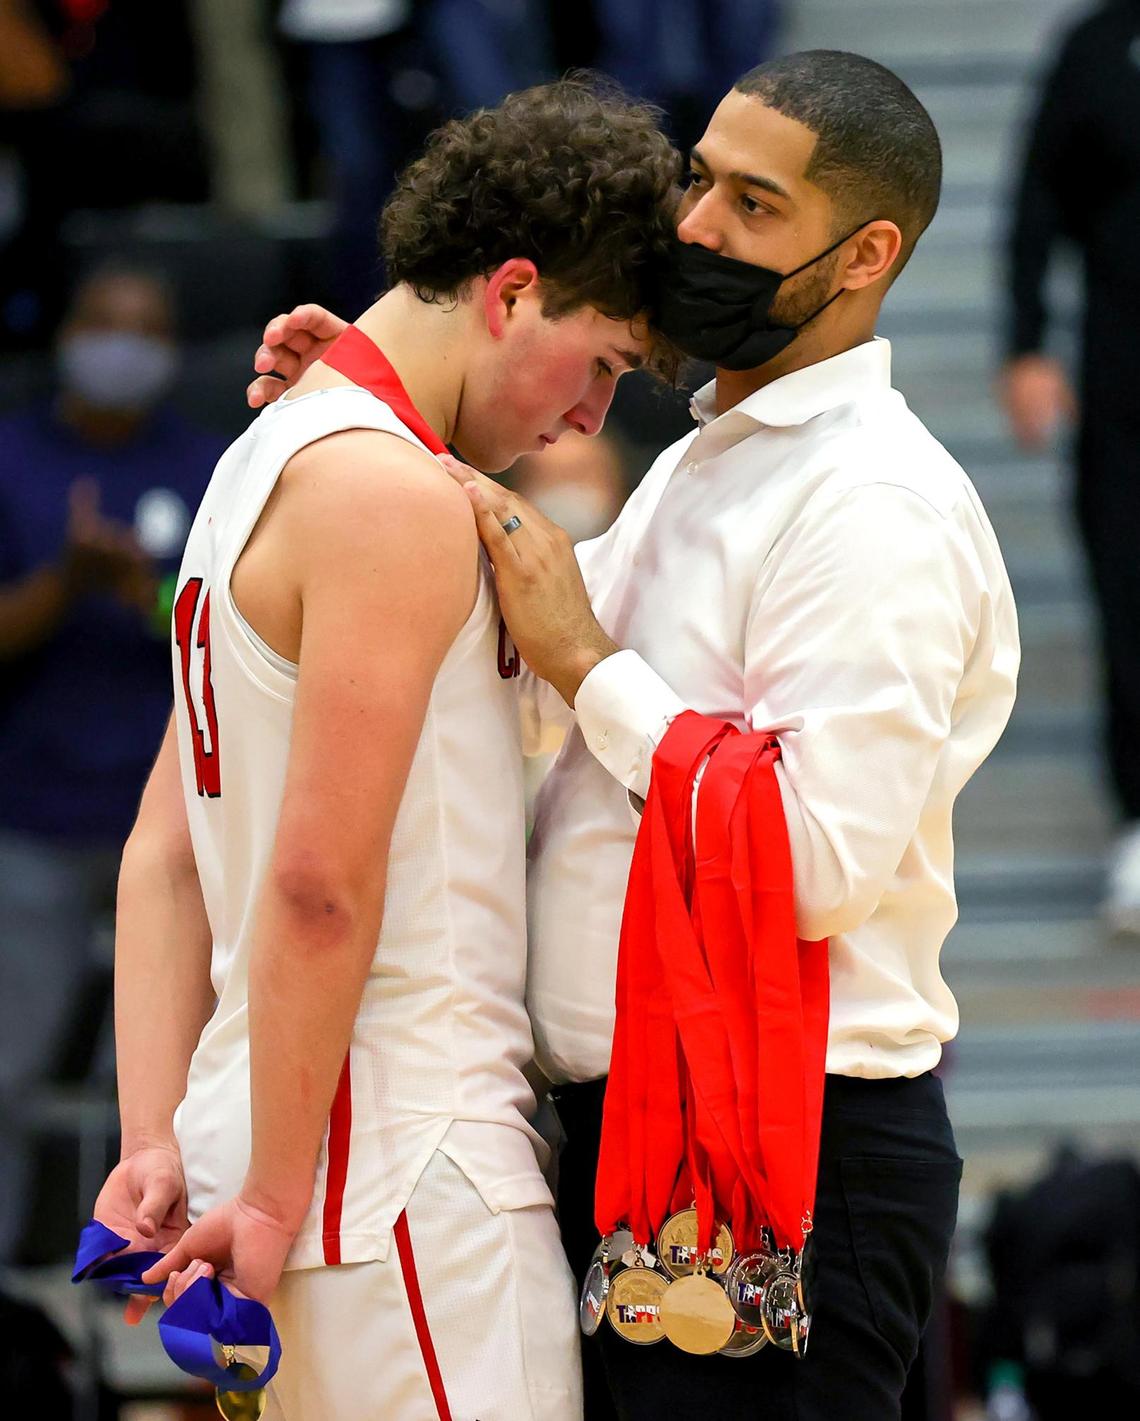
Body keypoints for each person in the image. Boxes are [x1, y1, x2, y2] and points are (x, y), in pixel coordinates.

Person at [255, 49, 1020, 1421]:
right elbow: (515, 644)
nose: (696, 230)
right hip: (654, 1144)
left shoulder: (876, 501)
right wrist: (374, 404)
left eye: (753, 204)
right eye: (699, 183)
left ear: (867, 254)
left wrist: (595, 667)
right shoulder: (703, 461)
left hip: (793, 1152)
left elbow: (813, 857)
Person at [93, 78, 679, 1421]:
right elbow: (317, 884)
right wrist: (277, 1192)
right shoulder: (387, 497)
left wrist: (154, 1142)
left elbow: (162, 856)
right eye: (599, 360)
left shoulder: (272, 451)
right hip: (398, 1178)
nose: (592, 415)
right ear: (514, 289)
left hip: (273, 1150)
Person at [0, 263, 219, 1266]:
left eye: (147, 327)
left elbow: (232, 630)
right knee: (6, 1073)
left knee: (179, 1093)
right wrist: (64, 583)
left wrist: (141, 590)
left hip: (176, 831)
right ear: (68, 331)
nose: (122, 345)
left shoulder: (213, 463)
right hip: (33, 818)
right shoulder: (10, 455)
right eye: (104, 322)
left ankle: (164, 1287)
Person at [998, 0, 1140, 936]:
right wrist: (1027, 346)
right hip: (1124, 374)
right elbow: (1038, 200)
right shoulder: (1098, 47)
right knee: (1130, 594)